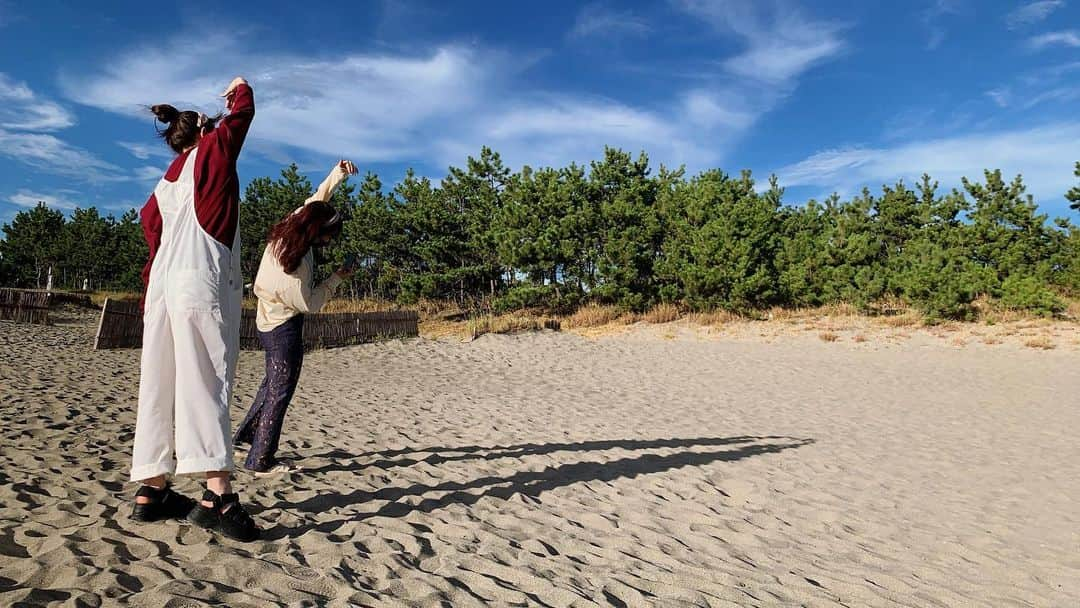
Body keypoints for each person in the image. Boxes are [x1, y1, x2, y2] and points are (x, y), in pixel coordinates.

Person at [129, 76, 259, 542]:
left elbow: (149, 223)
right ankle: (217, 496)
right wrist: (239, 88)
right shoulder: (213, 154)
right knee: (207, 380)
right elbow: (241, 117)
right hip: (198, 279)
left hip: (162, 287)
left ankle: (152, 488)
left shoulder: (167, 179)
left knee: (158, 383)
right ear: (204, 128)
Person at [233, 160, 359, 474]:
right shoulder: (296, 268)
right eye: (329, 235)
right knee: (280, 391)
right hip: (283, 330)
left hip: (265, 321)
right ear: (317, 233)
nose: (330, 241)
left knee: (270, 385)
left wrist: (337, 174)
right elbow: (310, 304)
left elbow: (317, 201)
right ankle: (260, 459)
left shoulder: (291, 226)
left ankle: (248, 438)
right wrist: (338, 278)